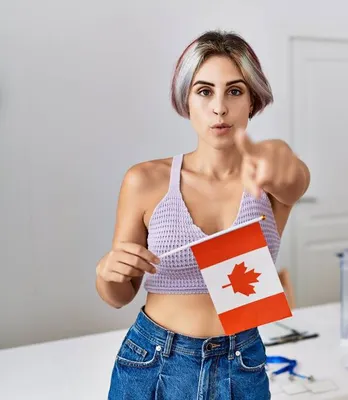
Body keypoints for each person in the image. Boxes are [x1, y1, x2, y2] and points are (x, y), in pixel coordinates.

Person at [95, 30, 310, 399]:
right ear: (187, 100)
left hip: (240, 361)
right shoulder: (145, 181)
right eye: (204, 91)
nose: (220, 108)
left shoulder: (271, 177)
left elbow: (293, 177)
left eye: (235, 91)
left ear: (253, 100)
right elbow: (118, 296)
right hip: (154, 359)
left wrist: (278, 152)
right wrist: (106, 271)